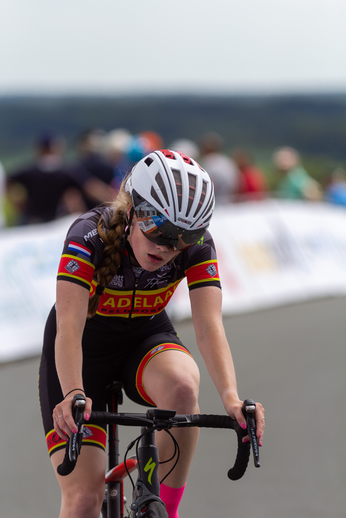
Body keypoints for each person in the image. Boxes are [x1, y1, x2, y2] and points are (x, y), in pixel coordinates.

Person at [38, 149, 265, 518]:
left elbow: (209, 325)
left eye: (183, 237)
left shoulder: (200, 247)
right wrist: (73, 393)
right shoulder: (87, 235)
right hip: (82, 350)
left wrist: (231, 398)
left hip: (144, 338)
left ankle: (166, 511)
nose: (167, 247)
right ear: (132, 211)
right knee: (83, 499)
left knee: (184, 388)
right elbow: (69, 327)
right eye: (159, 230)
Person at [6, 133, 85, 224]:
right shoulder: (65, 170)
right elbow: (76, 195)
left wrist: (18, 203)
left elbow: (8, 181)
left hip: (32, 217)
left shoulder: (30, 169)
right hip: (55, 218)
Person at [198, 132, 240, 204]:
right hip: (232, 203)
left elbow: (209, 186)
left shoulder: (209, 161)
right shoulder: (227, 160)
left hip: (217, 204)